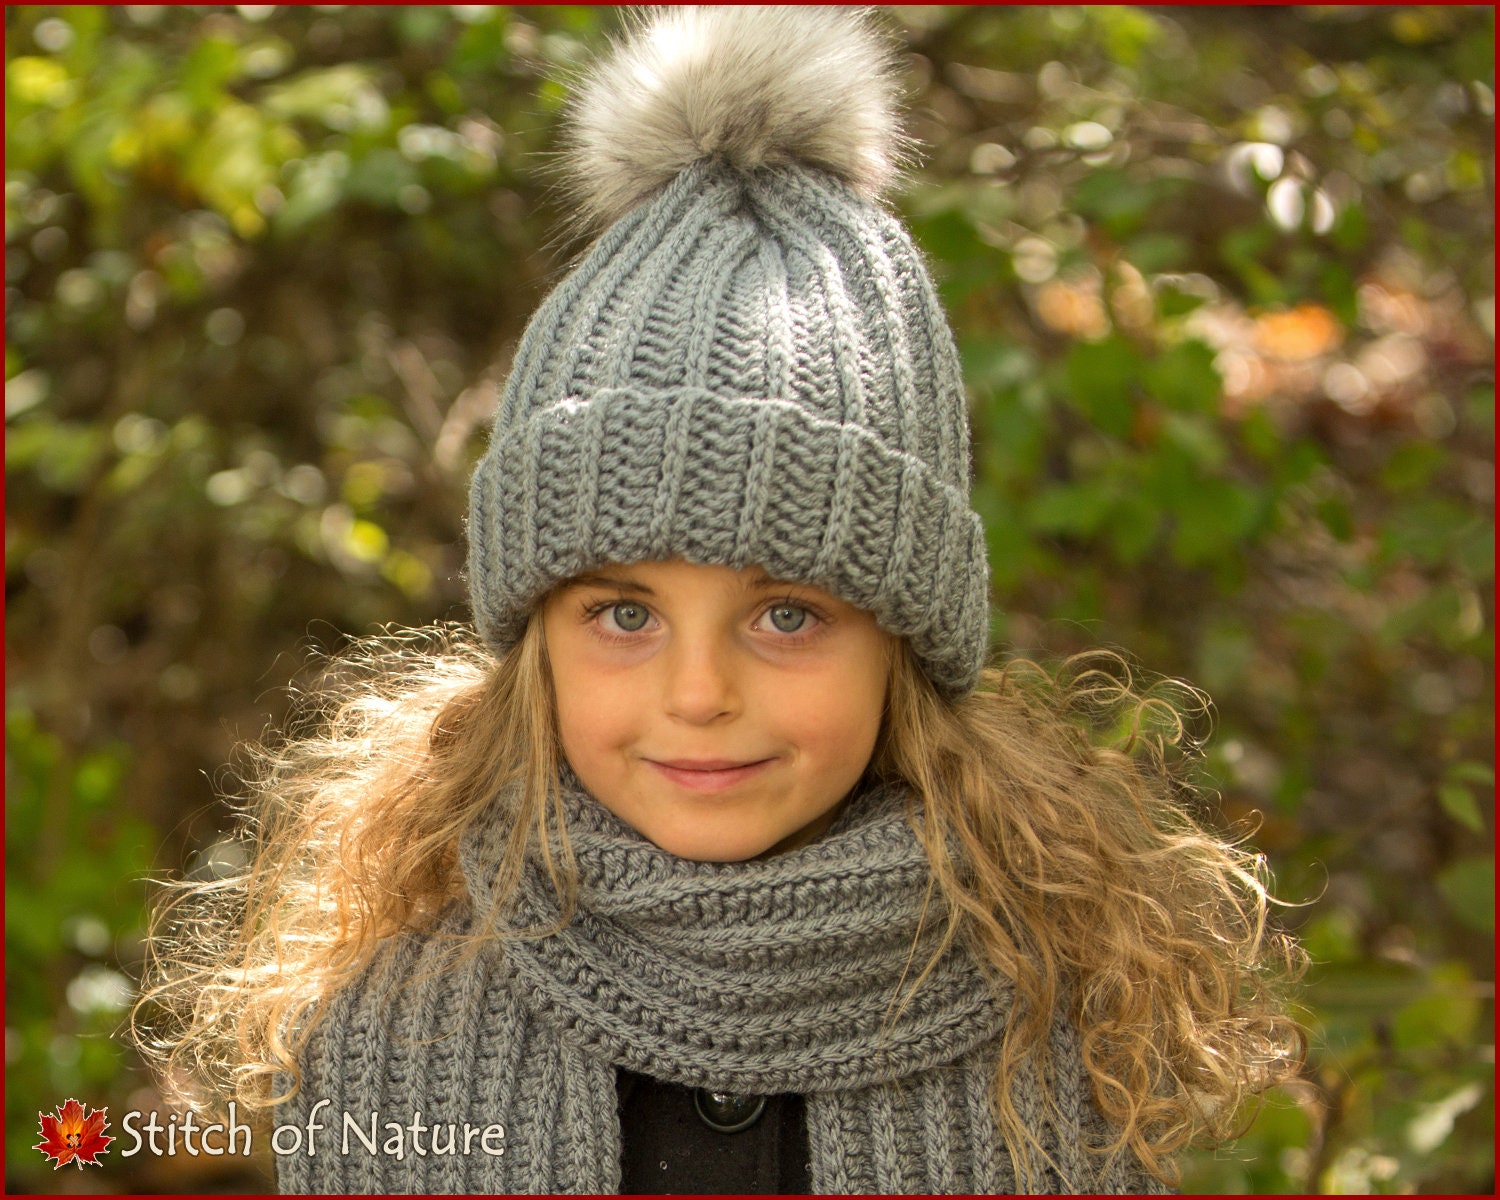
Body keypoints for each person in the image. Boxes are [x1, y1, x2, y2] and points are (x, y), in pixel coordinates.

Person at [136, 7, 1305, 1194]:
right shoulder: (394, 1034)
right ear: (534, 639)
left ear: (905, 642)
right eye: (624, 614)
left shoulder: (1051, 1029)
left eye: (787, 615)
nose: (698, 696)